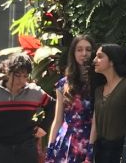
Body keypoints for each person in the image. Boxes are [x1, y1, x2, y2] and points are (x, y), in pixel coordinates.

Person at [0, 53, 55, 163]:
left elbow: (52, 105)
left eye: (25, 76)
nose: (21, 80)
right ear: (8, 72)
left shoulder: (34, 92)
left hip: (26, 148)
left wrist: (44, 127)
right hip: (1, 149)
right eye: (17, 75)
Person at [47, 35, 99, 163]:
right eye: (79, 49)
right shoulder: (63, 84)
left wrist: (90, 153)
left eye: (88, 49)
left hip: (88, 140)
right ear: (73, 53)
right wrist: (50, 149)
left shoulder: (99, 83)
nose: (84, 53)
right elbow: (58, 120)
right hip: (65, 140)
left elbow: (96, 120)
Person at [90, 43, 126, 163]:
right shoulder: (99, 90)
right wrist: (90, 151)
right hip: (100, 150)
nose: (95, 60)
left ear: (112, 61)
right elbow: (95, 122)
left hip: (120, 151)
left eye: (100, 56)